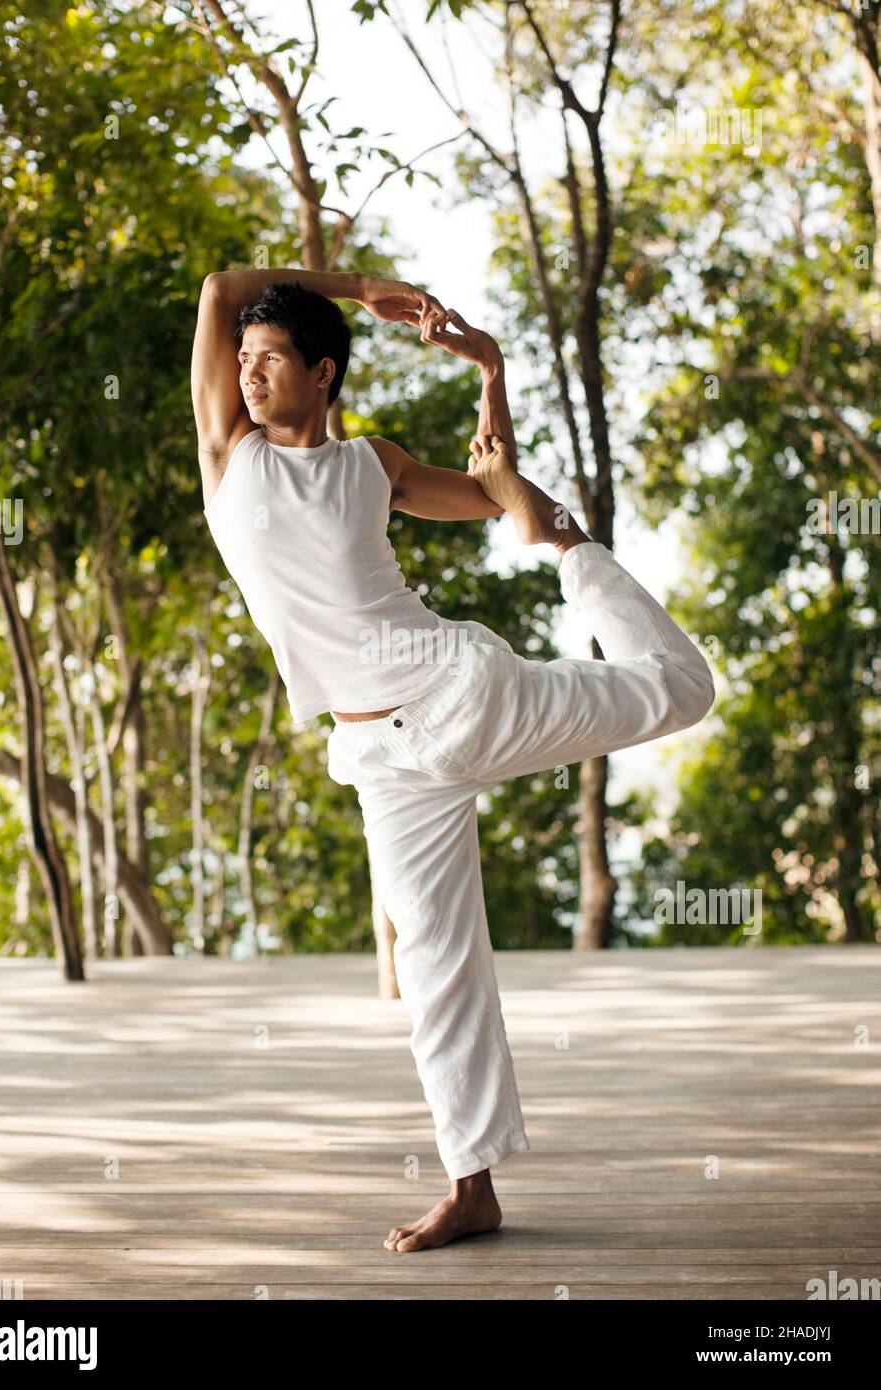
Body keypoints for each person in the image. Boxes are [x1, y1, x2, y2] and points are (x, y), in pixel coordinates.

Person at [191, 268, 716, 1253]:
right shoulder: (231, 460)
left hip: (464, 694)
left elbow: (490, 493)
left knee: (681, 688)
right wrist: (361, 283)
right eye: (243, 361)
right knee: (438, 968)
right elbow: (222, 287)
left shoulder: (370, 464)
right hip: (379, 759)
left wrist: (489, 370)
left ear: (323, 372)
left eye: (270, 360)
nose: (249, 374)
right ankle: (471, 1186)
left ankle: (579, 567)